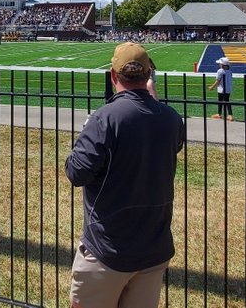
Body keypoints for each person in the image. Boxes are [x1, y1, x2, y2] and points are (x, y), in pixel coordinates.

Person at [65, 42, 185, 307]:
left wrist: (85, 133)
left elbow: (77, 173)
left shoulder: (105, 118)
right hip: (155, 247)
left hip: (109, 249)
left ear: (113, 75)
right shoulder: (171, 117)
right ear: (149, 75)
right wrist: (155, 104)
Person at [209, 56, 233, 121]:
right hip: (228, 89)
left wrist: (212, 87)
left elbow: (218, 81)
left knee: (223, 101)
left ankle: (229, 114)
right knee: (225, 101)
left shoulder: (220, 71)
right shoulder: (229, 71)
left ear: (223, 65)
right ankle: (220, 114)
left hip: (222, 89)